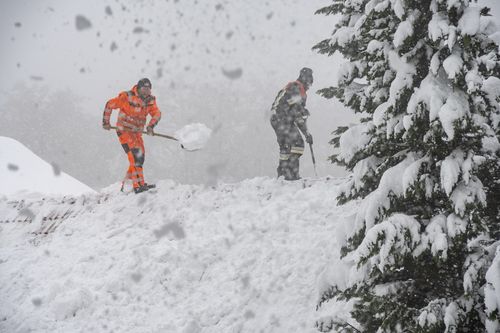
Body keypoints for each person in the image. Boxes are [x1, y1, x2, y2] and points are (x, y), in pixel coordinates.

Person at [102, 78, 162, 194]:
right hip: (124, 131)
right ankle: (138, 185)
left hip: (136, 133)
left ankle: (129, 184)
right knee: (135, 156)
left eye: (148, 89)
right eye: (144, 89)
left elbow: (157, 113)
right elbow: (109, 104)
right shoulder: (127, 97)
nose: (146, 91)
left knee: (140, 157)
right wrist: (106, 122)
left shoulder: (150, 100)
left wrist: (151, 126)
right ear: (138, 88)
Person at [270, 67, 313, 180]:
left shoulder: (291, 86)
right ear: (306, 80)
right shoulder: (298, 89)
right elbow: (296, 112)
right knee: (298, 144)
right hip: (283, 118)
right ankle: (292, 175)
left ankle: (282, 174)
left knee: (285, 147)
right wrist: (303, 111)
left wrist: (306, 133)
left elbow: (293, 111)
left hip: (275, 118)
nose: (309, 87)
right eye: (309, 83)